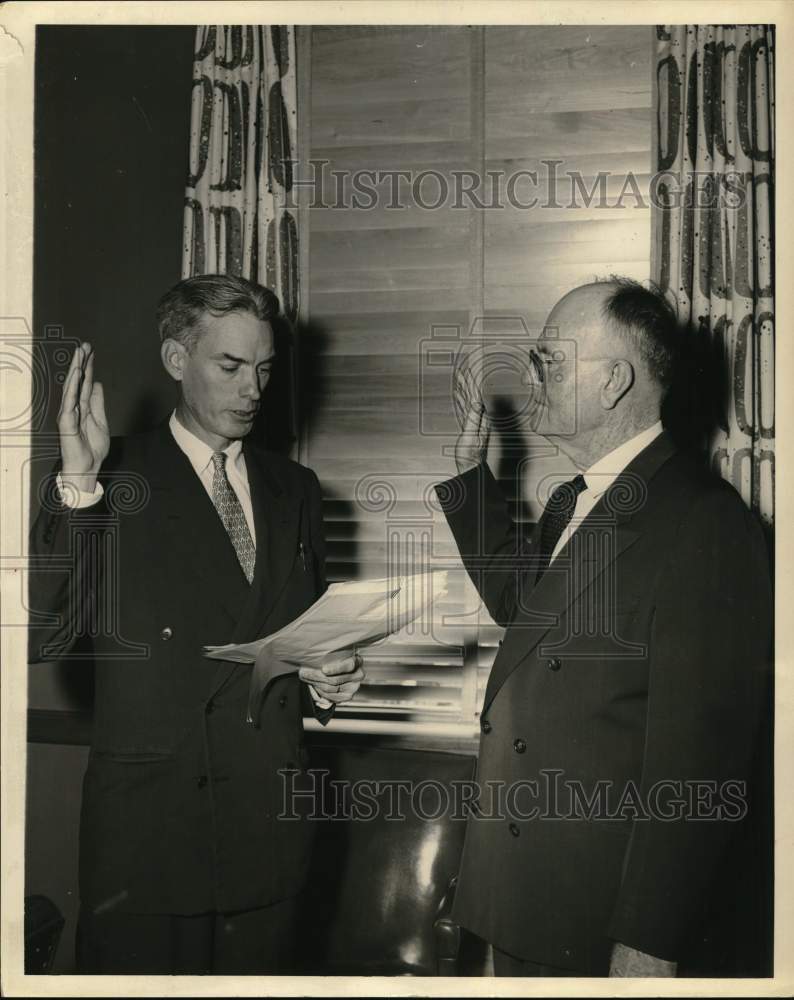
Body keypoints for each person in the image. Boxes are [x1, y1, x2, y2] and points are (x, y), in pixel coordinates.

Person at [28, 274, 364, 974]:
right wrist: (78, 484)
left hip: (269, 833)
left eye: (265, 369)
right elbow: (41, 629)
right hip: (152, 838)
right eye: (231, 366)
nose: (253, 389)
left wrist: (328, 679)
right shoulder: (108, 475)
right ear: (177, 360)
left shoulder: (295, 490)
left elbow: (302, 641)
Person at [436, 278, 772, 977]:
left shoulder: (705, 522)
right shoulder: (574, 501)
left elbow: (701, 762)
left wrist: (651, 940)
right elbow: (523, 613)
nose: (532, 376)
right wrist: (471, 474)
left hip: (598, 917)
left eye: (550, 361)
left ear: (615, 381)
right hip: (522, 896)